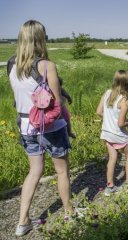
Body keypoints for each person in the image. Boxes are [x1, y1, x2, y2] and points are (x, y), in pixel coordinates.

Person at [7, 20, 73, 237]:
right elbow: (57, 103)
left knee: (34, 171)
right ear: (40, 38)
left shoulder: (12, 64)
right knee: (62, 170)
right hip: (50, 127)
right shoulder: (47, 66)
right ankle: (69, 211)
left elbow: (21, 98)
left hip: (26, 126)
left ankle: (22, 221)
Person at [96, 70, 128, 196]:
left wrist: (108, 119)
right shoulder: (124, 100)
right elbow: (120, 123)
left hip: (107, 133)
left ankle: (110, 186)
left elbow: (99, 112)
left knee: (112, 158)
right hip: (118, 135)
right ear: (127, 84)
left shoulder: (107, 93)